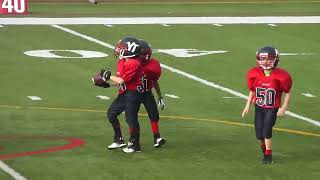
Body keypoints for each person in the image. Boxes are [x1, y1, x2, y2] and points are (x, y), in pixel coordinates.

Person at [241, 45, 292, 164]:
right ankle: (265, 150)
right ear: (258, 59)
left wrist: (284, 107)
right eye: (263, 59)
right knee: (259, 135)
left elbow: (288, 92)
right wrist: (247, 105)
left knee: (267, 130)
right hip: (259, 107)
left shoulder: (282, 76)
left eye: (269, 59)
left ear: (275, 59)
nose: (266, 62)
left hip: (272, 107)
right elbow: (253, 90)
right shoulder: (254, 73)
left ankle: (268, 156)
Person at [100, 36, 144, 153]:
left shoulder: (133, 63)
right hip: (124, 93)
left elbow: (121, 81)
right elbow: (120, 79)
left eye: (122, 47)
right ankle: (118, 139)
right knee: (111, 114)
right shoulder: (123, 60)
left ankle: (135, 145)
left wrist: (107, 76)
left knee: (131, 119)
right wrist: (107, 84)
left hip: (133, 95)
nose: (119, 49)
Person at [139, 40, 166, 148]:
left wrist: (160, 96)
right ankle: (131, 140)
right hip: (132, 93)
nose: (147, 55)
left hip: (146, 93)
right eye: (144, 53)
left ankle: (157, 137)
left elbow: (155, 80)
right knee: (131, 117)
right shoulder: (131, 63)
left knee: (154, 115)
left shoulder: (153, 64)